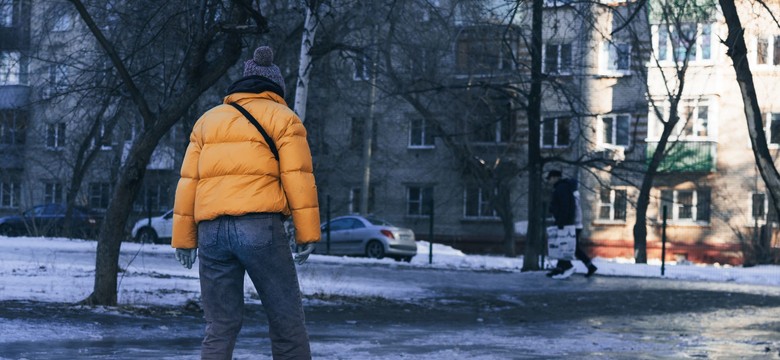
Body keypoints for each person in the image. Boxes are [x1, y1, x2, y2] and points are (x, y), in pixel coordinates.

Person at [171, 45, 320, 360]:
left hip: (211, 232)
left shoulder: (207, 121)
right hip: (259, 228)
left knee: (219, 326)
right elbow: (298, 177)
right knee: (286, 323)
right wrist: (308, 233)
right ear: (276, 88)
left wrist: (184, 239)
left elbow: (188, 183)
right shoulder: (285, 118)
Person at [545, 170, 597, 279]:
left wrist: (562, 222)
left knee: (567, 246)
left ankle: (566, 266)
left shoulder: (562, 188)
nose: (549, 181)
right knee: (568, 246)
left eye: (549, 178)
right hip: (571, 223)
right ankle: (563, 267)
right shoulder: (565, 188)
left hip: (569, 224)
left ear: (555, 177)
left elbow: (565, 207)